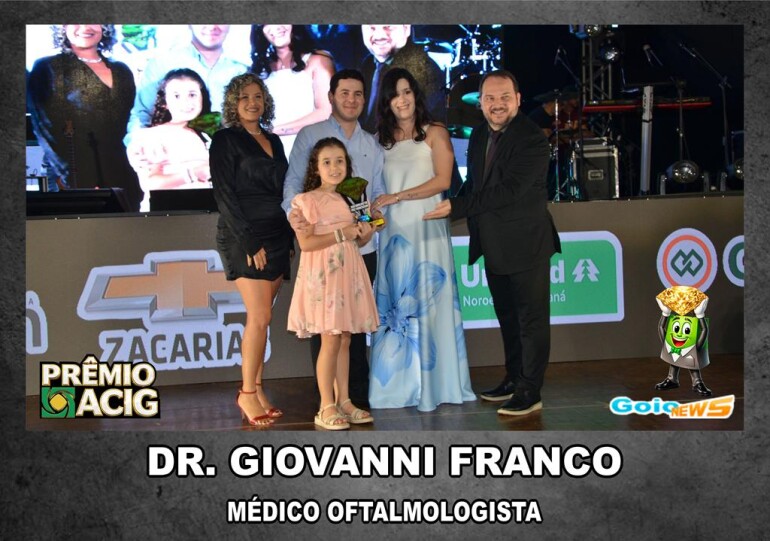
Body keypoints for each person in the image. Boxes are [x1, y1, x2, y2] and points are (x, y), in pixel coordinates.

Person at [424, 70, 561, 416]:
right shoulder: (480, 133)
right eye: (490, 98)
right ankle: (514, 379)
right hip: (493, 244)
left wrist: (457, 207)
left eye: (504, 98)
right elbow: (476, 184)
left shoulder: (532, 138)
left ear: (518, 99)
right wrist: (447, 203)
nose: (497, 105)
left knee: (531, 322)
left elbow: (509, 191)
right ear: (481, 103)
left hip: (527, 244)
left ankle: (530, 390)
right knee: (508, 318)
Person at [369, 68, 475, 412]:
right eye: (394, 94)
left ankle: (436, 386)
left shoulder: (435, 132)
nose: (402, 100)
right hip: (393, 234)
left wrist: (398, 196)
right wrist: (375, 208)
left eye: (407, 92)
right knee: (396, 309)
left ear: (416, 94)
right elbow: (375, 189)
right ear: (386, 102)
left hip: (428, 229)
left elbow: (443, 180)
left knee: (431, 303)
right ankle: (397, 388)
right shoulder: (379, 141)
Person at [283, 69, 386, 407]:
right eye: (344, 93)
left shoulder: (371, 143)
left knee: (351, 331)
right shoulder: (310, 135)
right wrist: (297, 218)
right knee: (327, 333)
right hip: (322, 254)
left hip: (360, 253)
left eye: (358, 94)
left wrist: (373, 224)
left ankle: (351, 399)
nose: (351, 100)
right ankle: (326, 402)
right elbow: (293, 185)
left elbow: (374, 199)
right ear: (331, 96)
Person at [209, 73, 293, 427]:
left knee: (264, 319)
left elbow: (286, 190)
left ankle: (257, 389)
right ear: (233, 102)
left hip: (277, 236)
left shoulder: (274, 140)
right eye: (244, 97)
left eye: (258, 96)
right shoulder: (225, 140)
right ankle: (246, 393)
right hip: (245, 237)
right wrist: (249, 241)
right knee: (259, 318)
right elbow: (224, 195)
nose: (252, 102)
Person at [287, 137, 380, 430]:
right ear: (316, 167)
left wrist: (367, 230)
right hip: (324, 276)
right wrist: (343, 234)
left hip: (349, 271)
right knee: (329, 339)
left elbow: (360, 238)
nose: (334, 167)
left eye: (339, 161)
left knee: (344, 338)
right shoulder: (306, 201)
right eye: (326, 162)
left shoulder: (352, 195)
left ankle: (345, 401)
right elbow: (306, 243)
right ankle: (325, 405)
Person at [27, 24, 142, 210]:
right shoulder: (48, 68)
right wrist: (77, 182)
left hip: (120, 173)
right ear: (63, 27)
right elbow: (47, 131)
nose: (85, 27)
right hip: (72, 175)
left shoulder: (122, 71)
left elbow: (124, 126)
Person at [126, 25, 247, 144]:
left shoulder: (243, 71)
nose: (212, 26)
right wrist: (138, 145)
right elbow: (141, 115)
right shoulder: (162, 63)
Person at [126, 68, 212, 211]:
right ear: (165, 101)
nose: (185, 102)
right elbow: (150, 184)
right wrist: (194, 173)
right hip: (168, 213)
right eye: (176, 96)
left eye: (192, 95)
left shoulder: (208, 134)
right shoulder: (152, 136)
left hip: (206, 211)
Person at [250, 25, 335, 156]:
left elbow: (325, 113)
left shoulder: (318, 60)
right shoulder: (262, 69)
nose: (276, 27)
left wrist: (273, 131)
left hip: (309, 151)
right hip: (270, 154)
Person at [359, 25, 446, 134]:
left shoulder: (424, 70)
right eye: (371, 27)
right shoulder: (367, 64)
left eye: (388, 26)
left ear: (406, 29)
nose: (379, 35)